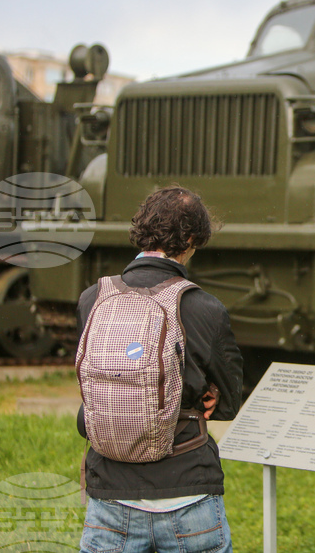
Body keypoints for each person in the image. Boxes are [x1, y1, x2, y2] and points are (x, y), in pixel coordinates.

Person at [76, 185, 243, 553]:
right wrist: (208, 394)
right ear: (191, 239)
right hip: (189, 496)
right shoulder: (205, 308)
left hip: (110, 498)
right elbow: (229, 401)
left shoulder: (93, 299)